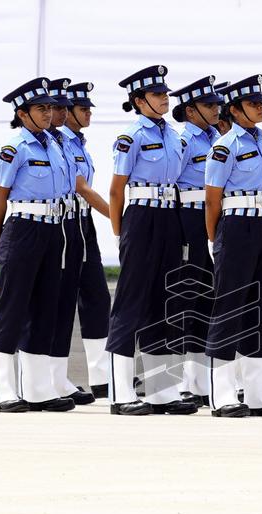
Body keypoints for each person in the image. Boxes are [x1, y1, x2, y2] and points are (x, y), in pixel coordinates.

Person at [107, 65, 198, 416]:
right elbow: (116, 190)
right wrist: (120, 233)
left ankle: (163, 391)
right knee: (131, 301)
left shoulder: (176, 136)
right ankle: (120, 392)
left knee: (166, 302)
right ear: (139, 100)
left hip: (169, 214)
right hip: (141, 216)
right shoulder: (131, 137)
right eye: (158, 95)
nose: (164, 99)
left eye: (165, 94)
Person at [204, 75, 262, 418]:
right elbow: (212, 201)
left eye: (260, 103)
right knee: (229, 306)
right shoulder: (225, 146)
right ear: (235, 109)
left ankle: (258, 392)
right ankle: (221, 393)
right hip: (236, 223)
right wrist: (218, 241)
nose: (259, 108)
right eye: (253, 103)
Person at [0, 78, 73, 413]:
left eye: (50, 107)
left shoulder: (54, 144)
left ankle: (38, 389)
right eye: (41, 108)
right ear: (22, 113)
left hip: (53, 229)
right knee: (12, 309)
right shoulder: (15, 148)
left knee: (44, 308)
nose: (49, 113)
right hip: (22, 228)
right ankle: (3, 390)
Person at [170, 75, 222, 408]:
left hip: (211, 216)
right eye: (208, 105)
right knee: (184, 298)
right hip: (187, 217)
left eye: (216, 104)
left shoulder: (217, 137)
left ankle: (200, 379)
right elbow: (168, 184)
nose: (216, 109)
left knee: (207, 298)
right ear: (190, 111)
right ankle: (181, 381)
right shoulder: (184, 141)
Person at [44, 77, 95, 406]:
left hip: (77, 220)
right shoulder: (45, 143)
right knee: (47, 303)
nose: (60, 114)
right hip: (54, 221)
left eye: (65, 108)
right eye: (57, 107)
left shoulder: (67, 143)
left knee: (77, 302)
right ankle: (35, 380)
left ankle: (58, 378)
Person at [61, 81, 113, 398]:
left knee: (96, 298)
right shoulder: (62, 142)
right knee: (62, 301)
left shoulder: (79, 142)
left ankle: (102, 376)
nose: (89, 113)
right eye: (83, 109)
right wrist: (118, 217)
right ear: (67, 112)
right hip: (66, 221)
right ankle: (54, 377)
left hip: (83, 222)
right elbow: (82, 187)